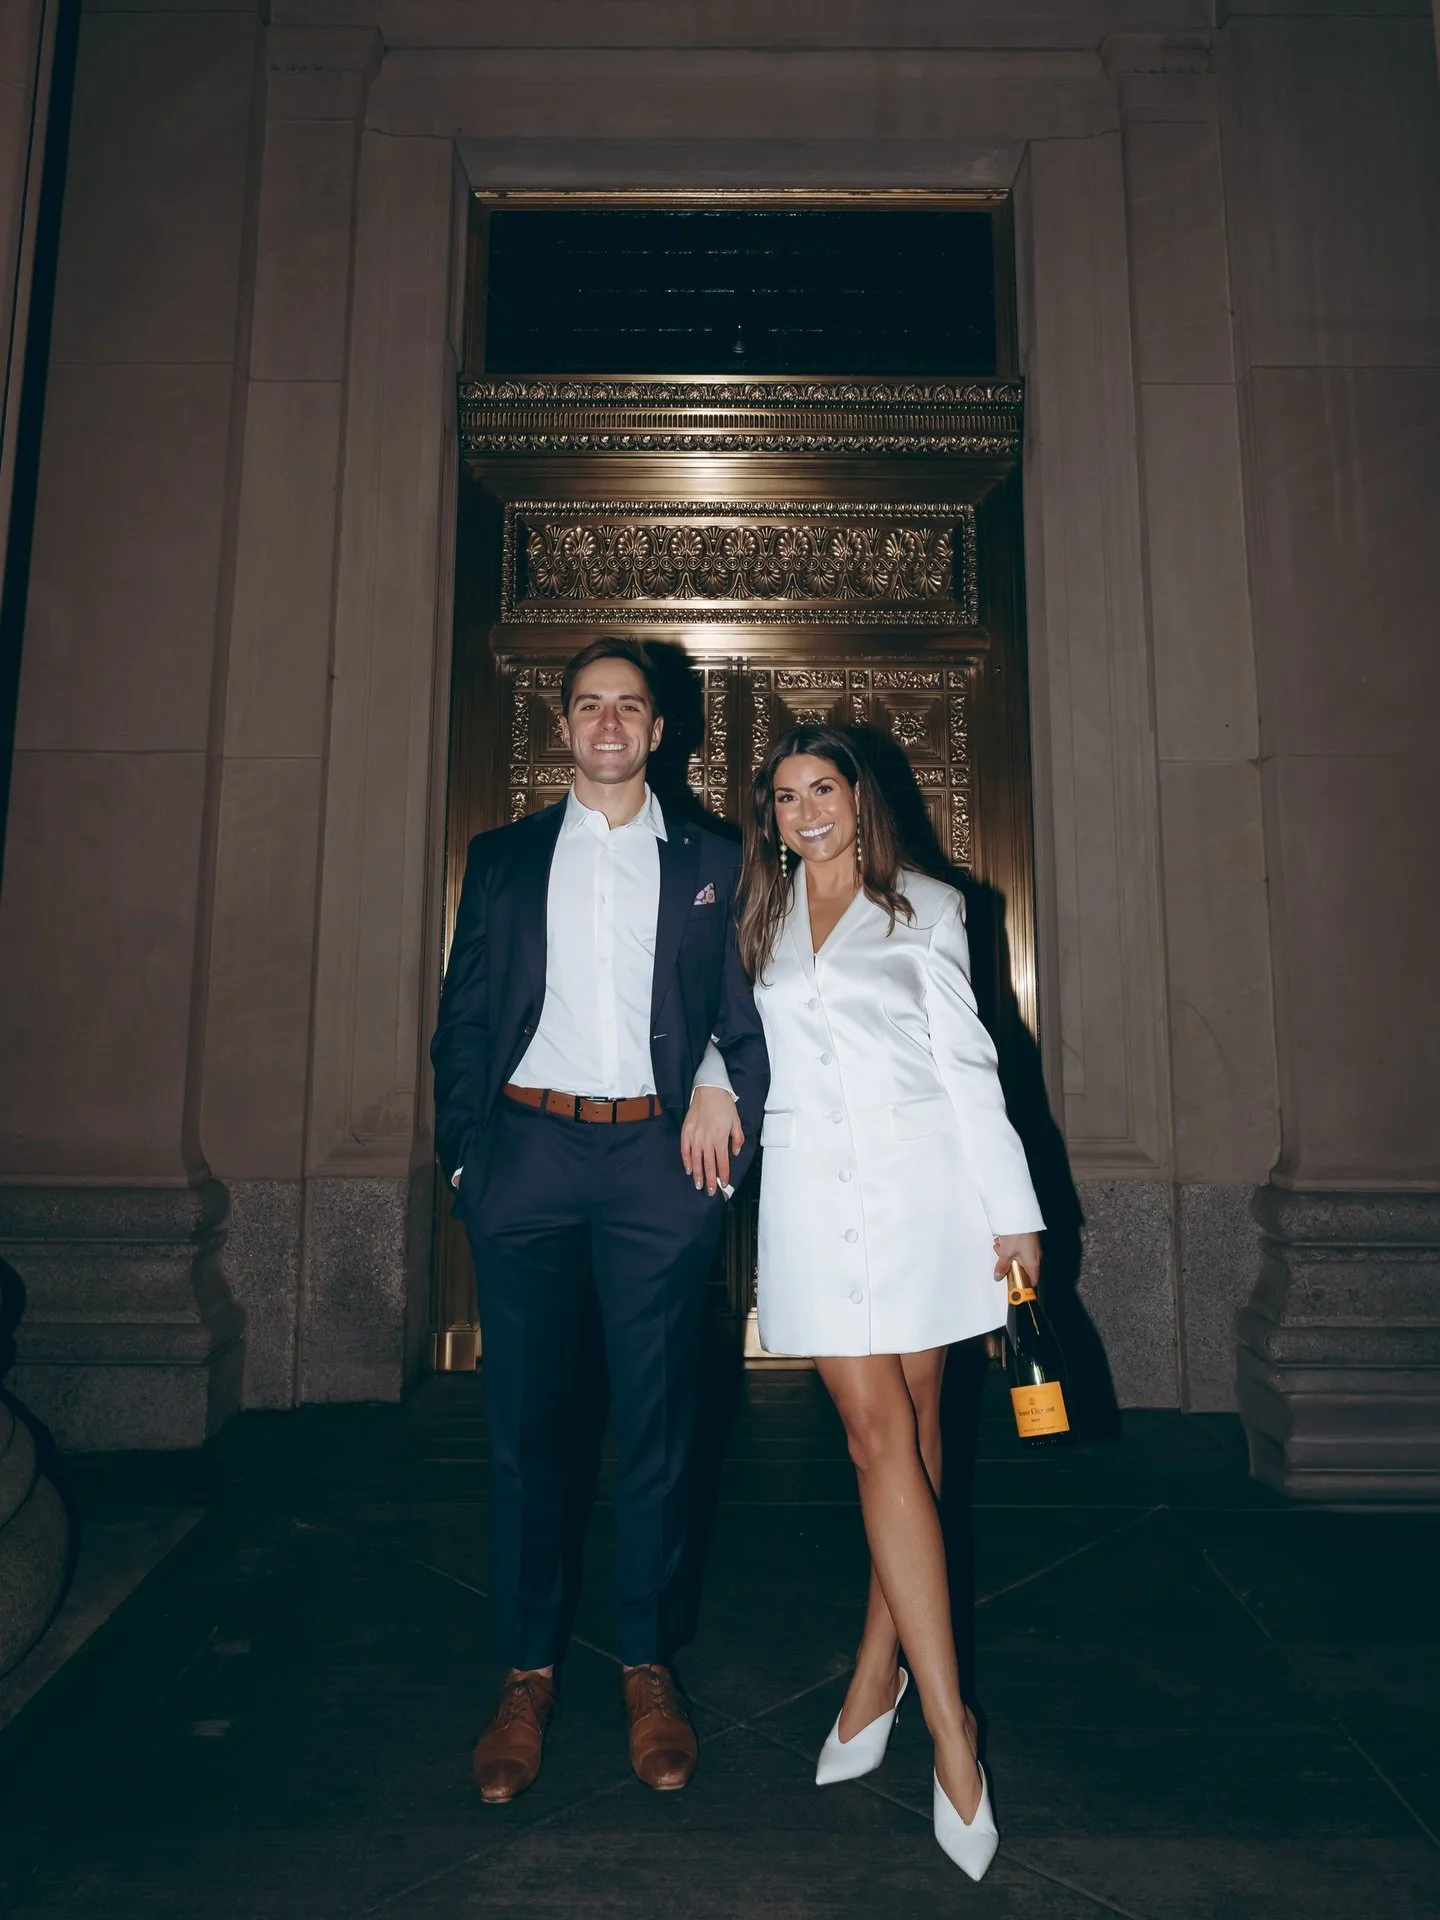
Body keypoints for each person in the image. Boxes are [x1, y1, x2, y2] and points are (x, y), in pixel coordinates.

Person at [431, 637, 768, 1804]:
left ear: (660, 730)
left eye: (631, 707)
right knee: (527, 1431)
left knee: (661, 1427)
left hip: (653, 1166)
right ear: (562, 726)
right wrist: (468, 1159)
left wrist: (724, 1082)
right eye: (590, 706)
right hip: (525, 1154)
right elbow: (466, 1014)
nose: (611, 724)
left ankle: (647, 1667)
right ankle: (524, 1675)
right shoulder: (506, 858)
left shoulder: (720, 858)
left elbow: (747, 1007)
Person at [734, 723, 1044, 1882]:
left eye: (825, 788)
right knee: (878, 1447)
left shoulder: (927, 905)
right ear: (768, 814)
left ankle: (880, 1676)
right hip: (813, 1206)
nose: (805, 809)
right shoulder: (755, 920)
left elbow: (970, 1064)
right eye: (785, 794)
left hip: (927, 1204)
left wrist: (1013, 1221)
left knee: (913, 1447)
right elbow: (736, 1045)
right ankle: (953, 1730)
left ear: (862, 801)